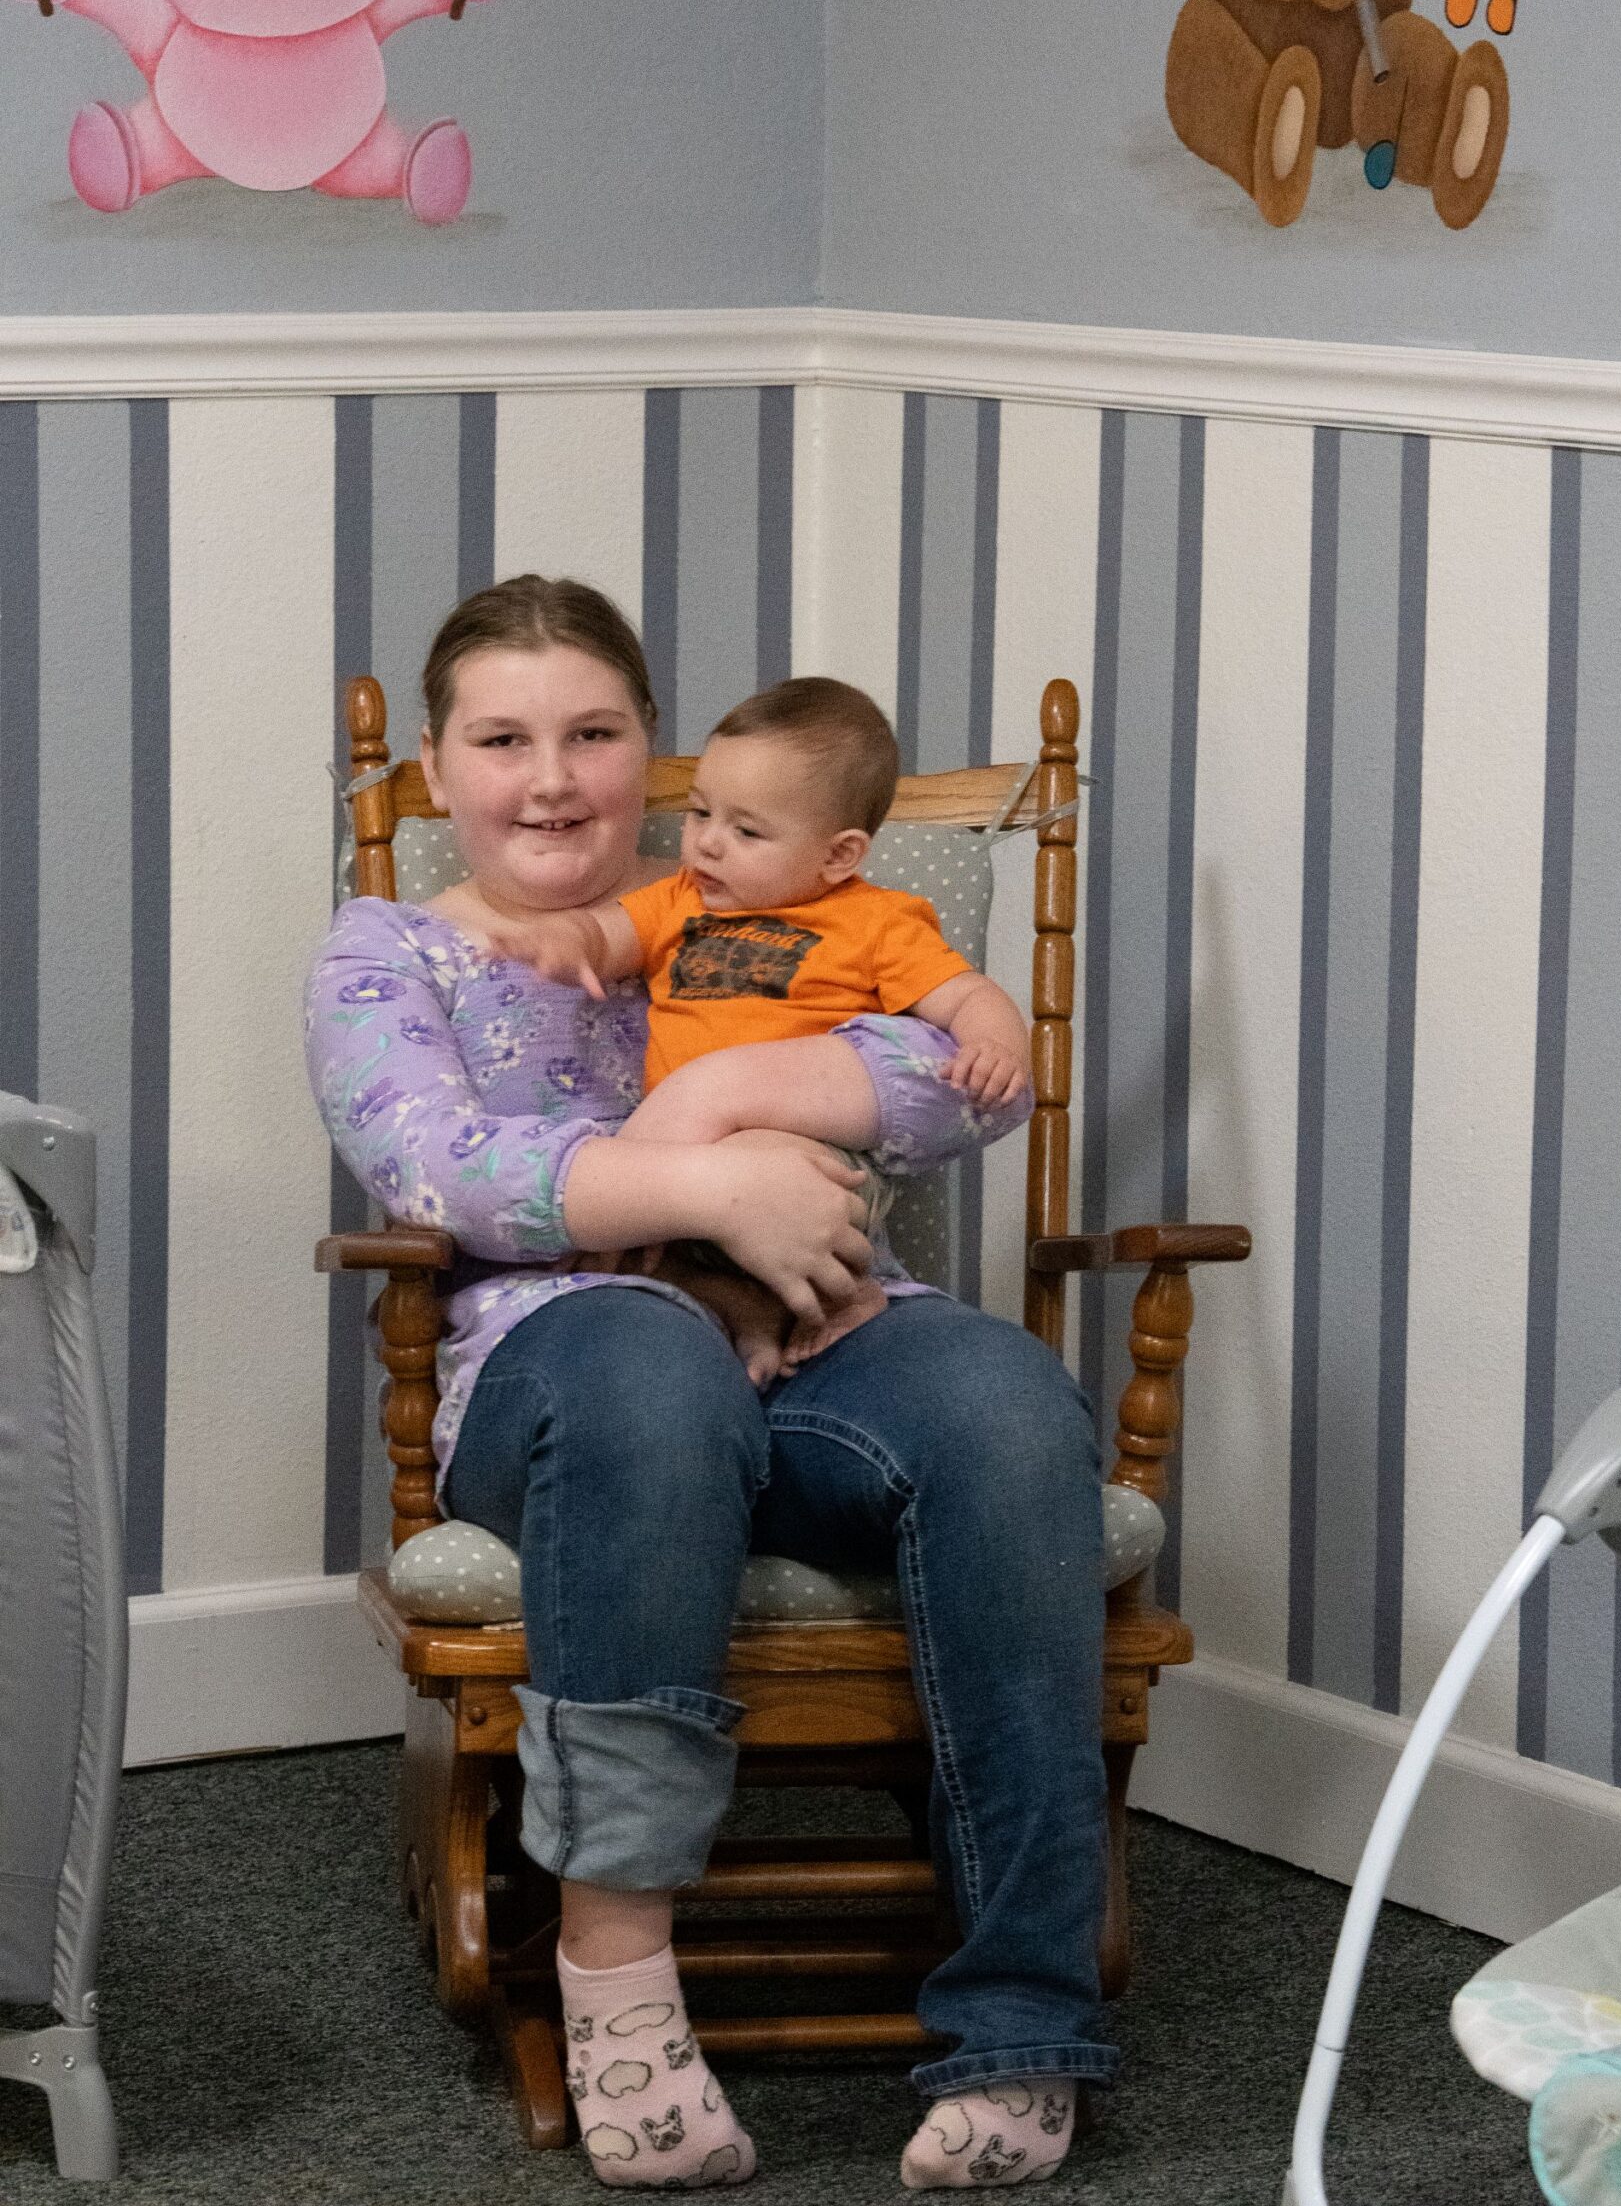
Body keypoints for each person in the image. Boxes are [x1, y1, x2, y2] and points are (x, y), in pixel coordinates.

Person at [304, 575, 1115, 2192]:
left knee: (1008, 1403)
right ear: (439, 768)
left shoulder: (762, 905)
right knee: (650, 1360)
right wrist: (702, 1188)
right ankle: (617, 1991)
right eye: (503, 737)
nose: (549, 777)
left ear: (651, 754)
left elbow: (951, 1078)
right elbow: (440, 1166)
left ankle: (1024, 2016)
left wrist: (729, 1093)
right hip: (560, 1373)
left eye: (592, 733)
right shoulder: (386, 952)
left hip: (821, 1322)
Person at [485, 674, 1033, 1382]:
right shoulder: (683, 901)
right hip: (698, 1171)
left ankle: (841, 1297)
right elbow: (607, 933)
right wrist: (565, 943)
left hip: (811, 1159)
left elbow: (964, 996)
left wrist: (997, 1042)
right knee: (672, 1245)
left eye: (744, 830)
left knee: (758, 1162)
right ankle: (751, 1314)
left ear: (838, 855)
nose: (707, 845)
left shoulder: (876, 921)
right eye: (699, 813)